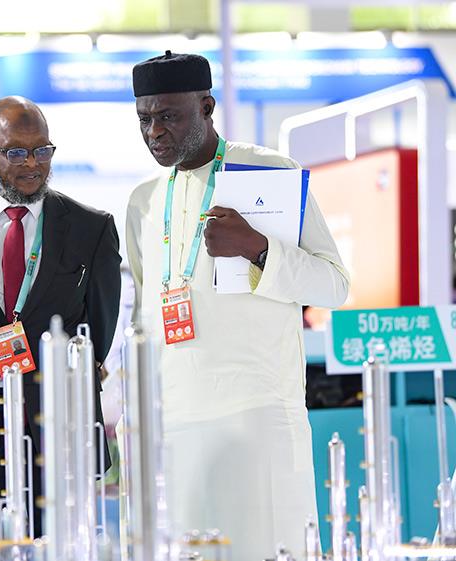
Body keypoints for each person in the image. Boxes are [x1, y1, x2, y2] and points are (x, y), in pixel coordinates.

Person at [125, 52, 350, 559]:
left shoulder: (269, 171)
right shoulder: (143, 200)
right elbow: (144, 316)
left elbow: (333, 286)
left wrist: (258, 248)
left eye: (168, 116)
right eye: (144, 118)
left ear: (207, 107)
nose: (154, 131)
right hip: (173, 424)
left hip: (260, 415)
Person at [0, 96, 121, 535]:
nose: (33, 164)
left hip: (61, 430)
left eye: (42, 150)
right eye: (16, 152)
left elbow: (99, 327)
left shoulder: (91, 228)